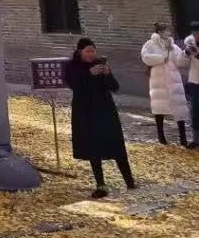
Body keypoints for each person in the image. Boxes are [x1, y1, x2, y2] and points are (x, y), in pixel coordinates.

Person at [65, 37, 137, 199]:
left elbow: (115, 87)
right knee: (93, 147)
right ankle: (100, 184)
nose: (91, 54)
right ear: (80, 52)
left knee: (115, 143)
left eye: (93, 50)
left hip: (105, 108)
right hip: (86, 110)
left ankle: (129, 180)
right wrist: (88, 74)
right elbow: (74, 84)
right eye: (88, 51)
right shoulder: (72, 67)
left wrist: (107, 74)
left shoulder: (100, 64)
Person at [140, 24, 189, 146]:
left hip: (173, 79)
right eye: (167, 31)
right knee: (159, 107)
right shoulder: (150, 44)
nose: (169, 33)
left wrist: (186, 54)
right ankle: (161, 136)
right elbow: (145, 57)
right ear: (160, 32)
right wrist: (162, 57)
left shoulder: (173, 45)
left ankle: (183, 138)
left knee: (179, 107)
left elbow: (180, 61)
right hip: (158, 79)